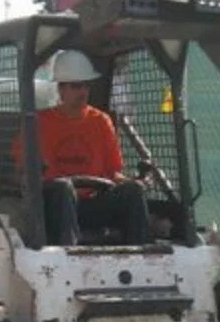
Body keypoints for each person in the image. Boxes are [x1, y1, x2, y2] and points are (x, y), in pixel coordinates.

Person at [32, 50, 152, 246]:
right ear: (61, 89)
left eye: (86, 85)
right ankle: (68, 252)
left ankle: (142, 252)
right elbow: (22, 172)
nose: (83, 92)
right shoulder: (39, 123)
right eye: (76, 86)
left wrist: (135, 182)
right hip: (54, 207)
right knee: (63, 188)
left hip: (92, 202)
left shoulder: (101, 122)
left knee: (133, 191)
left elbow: (113, 173)